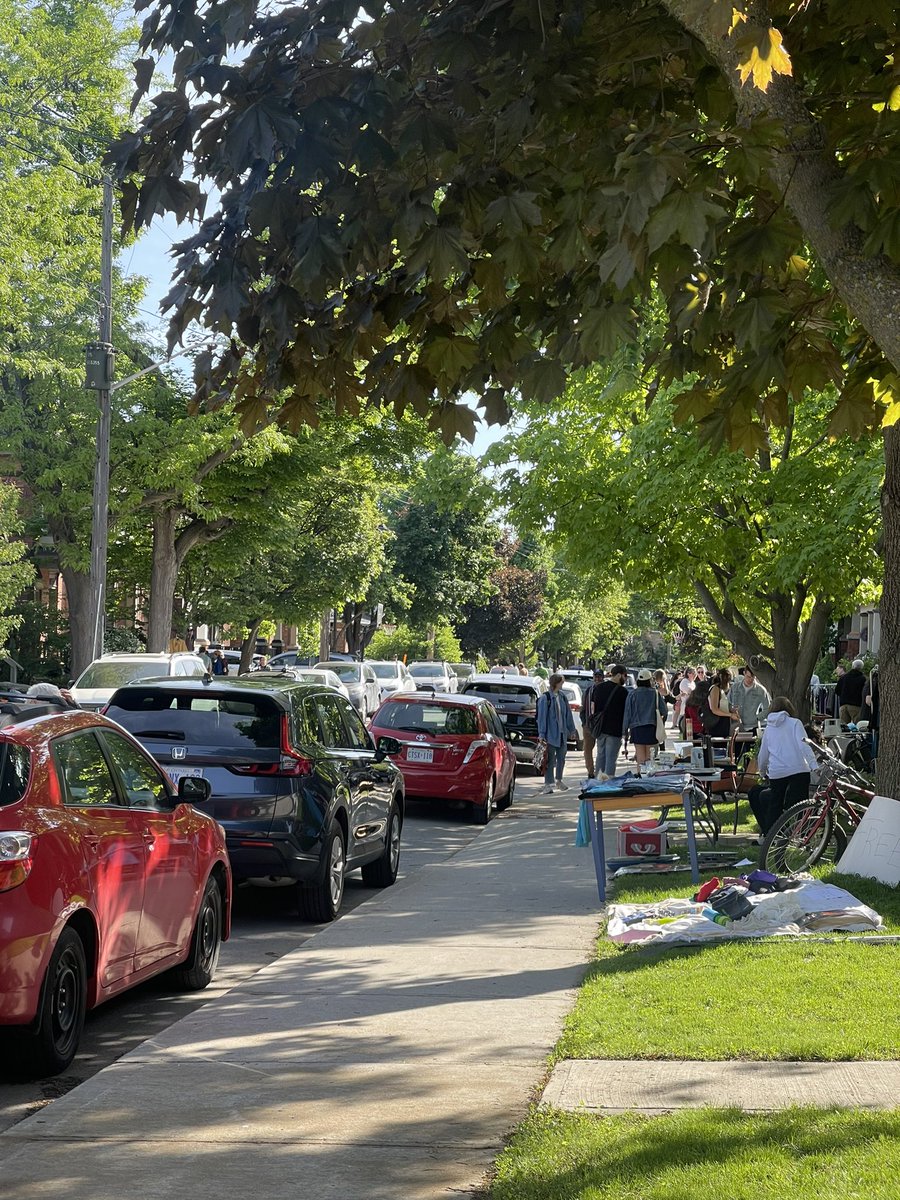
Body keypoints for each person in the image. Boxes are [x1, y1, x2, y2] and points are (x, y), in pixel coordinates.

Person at [747, 696, 819, 837]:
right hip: (798, 769)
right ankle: (803, 833)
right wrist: (813, 764)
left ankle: (772, 836)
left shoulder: (769, 728)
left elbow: (763, 754)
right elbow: (804, 745)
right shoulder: (795, 723)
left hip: (777, 772)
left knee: (775, 805)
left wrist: (762, 772)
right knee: (801, 804)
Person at [536, 673, 576, 794]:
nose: (562, 684)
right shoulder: (545, 698)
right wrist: (542, 734)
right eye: (561, 682)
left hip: (562, 733)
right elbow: (542, 718)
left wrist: (572, 730)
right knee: (549, 760)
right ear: (556, 683)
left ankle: (559, 780)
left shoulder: (562, 697)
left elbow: (568, 715)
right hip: (550, 734)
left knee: (561, 758)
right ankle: (548, 784)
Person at [589, 664, 629, 779]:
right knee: (611, 758)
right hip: (615, 729)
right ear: (618, 675)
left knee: (600, 756)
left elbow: (593, 708)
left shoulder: (599, 688)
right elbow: (625, 713)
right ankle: (608, 783)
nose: (625, 678)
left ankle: (598, 781)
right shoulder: (623, 692)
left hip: (600, 728)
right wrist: (626, 730)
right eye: (624, 675)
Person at [622, 668, 667, 767]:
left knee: (640, 758)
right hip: (652, 728)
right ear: (650, 680)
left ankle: (640, 778)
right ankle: (648, 779)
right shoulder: (655, 693)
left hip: (637, 728)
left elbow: (627, 713)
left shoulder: (632, 694)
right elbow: (664, 710)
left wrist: (624, 730)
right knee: (650, 759)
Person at [728, 665, 770, 731]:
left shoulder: (761, 690)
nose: (750, 679)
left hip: (753, 727)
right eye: (748, 677)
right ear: (744, 673)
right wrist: (732, 711)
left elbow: (767, 708)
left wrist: (757, 718)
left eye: (752, 677)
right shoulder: (735, 687)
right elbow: (728, 702)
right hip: (736, 725)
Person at [580, 667, 605, 778]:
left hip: (602, 726)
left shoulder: (606, 689)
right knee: (587, 749)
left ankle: (600, 772)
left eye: (600, 676)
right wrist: (585, 723)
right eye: (596, 676)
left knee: (601, 750)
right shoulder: (588, 690)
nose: (598, 678)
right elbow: (583, 708)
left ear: (603, 677)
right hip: (589, 725)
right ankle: (591, 772)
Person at [707, 667, 739, 738]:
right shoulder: (715, 689)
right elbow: (714, 709)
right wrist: (730, 715)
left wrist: (732, 710)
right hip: (716, 723)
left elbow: (725, 706)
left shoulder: (723, 690)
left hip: (724, 723)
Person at [835, 658, 867, 724]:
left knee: (843, 727)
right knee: (857, 725)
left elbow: (837, 690)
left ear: (852, 666)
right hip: (856, 705)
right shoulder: (863, 679)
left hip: (843, 705)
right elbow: (865, 692)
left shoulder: (843, 677)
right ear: (861, 668)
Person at [675, 666, 696, 733]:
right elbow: (690, 693)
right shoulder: (684, 682)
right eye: (693, 673)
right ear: (688, 674)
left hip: (692, 708)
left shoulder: (693, 683)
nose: (694, 675)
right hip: (685, 709)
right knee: (686, 731)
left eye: (695, 673)